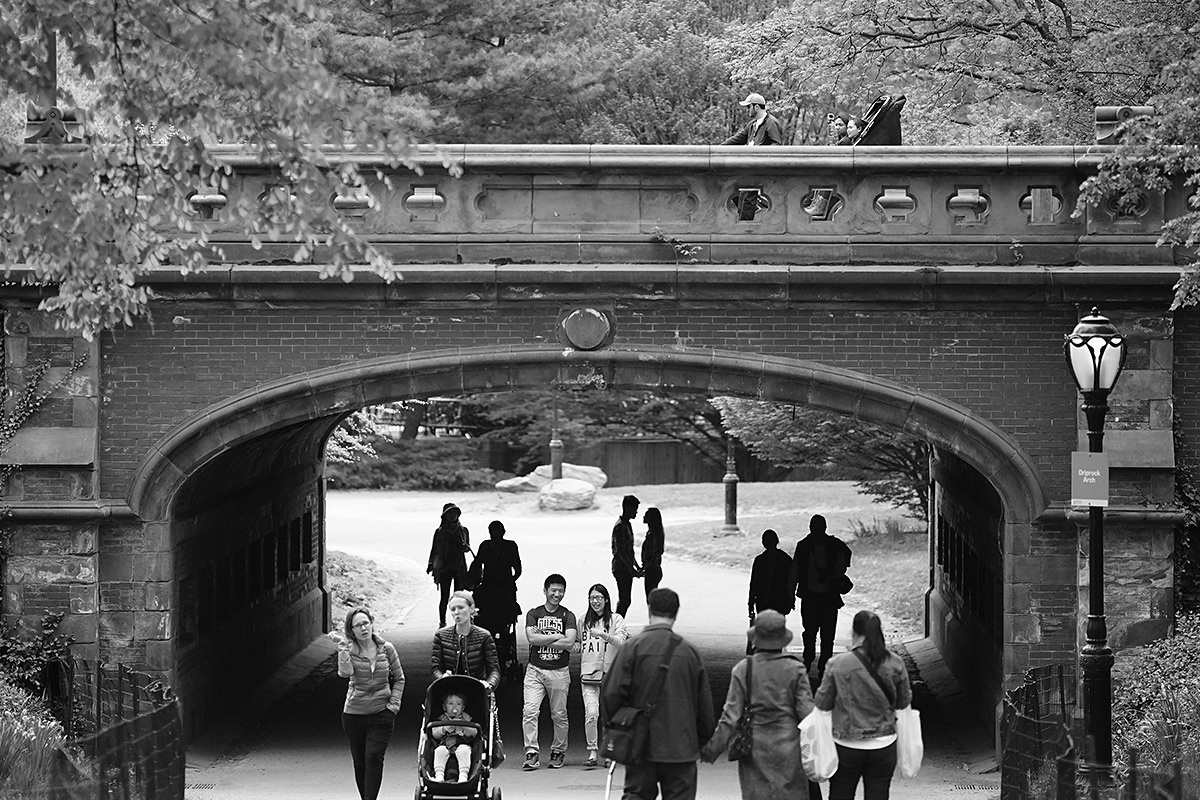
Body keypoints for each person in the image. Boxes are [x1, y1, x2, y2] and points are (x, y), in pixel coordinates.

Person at [601, 587, 715, 800]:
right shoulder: (690, 653)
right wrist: (696, 743)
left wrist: (619, 731)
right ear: (676, 612)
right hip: (681, 749)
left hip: (641, 745)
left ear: (649, 609)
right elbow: (705, 710)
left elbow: (611, 694)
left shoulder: (632, 648)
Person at [700, 611, 816, 800]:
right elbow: (808, 713)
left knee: (758, 793)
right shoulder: (795, 670)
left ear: (756, 639)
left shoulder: (744, 669)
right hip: (790, 748)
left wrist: (713, 747)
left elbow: (731, 715)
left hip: (755, 747)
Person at [814, 610, 913, 800]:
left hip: (846, 744)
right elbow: (903, 702)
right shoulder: (895, 663)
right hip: (884, 745)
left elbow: (822, 703)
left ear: (854, 632)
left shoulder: (838, 663)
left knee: (841, 792)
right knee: (878, 793)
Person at [330, 607, 404, 800]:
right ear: (351, 630)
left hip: (382, 713)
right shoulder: (349, 649)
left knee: (373, 757)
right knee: (360, 762)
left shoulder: (387, 649)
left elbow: (399, 678)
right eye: (358, 625)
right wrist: (343, 651)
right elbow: (344, 673)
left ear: (372, 623)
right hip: (354, 714)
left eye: (366, 623)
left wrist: (393, 706)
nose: (363, 628)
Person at [522, 573, 578, 770]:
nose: (557, 594)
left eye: (561, 591)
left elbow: (570, 642)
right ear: (545, 591)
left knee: (559, 714)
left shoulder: (568, 615)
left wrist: (543, 636)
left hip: (559, 671)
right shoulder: (533, 614)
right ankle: (531, 752)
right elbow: (532, 639)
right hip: (535, 670)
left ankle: (558, 751)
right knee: (530, 710)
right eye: (553, 590)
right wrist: (556, 635)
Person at [788, 514, 852, 683]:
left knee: (815, 632)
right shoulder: (832, 545)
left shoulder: (804, 546)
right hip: (824, 597)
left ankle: (814, 661)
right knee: (822, 633)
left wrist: (790, 594)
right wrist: (837, 574)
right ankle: (819, 662)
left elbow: (794, 571)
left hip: (815, 597)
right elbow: (846, 557)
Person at [576, 583, 628, 767]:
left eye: (599, 598)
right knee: (591, 714)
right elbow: (577, 644)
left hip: (611, 675)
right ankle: (592, 752)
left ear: (606, 600)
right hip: (589, 675)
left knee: (609, 716)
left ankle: (609, 752)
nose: (595, 601)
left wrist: (603, 635)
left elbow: (622, 642)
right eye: (592, 598)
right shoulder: (582, 620)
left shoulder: (616, 619)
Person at [468, 520, 522, 673]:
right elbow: (517, 569)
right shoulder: (511, 546)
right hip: (505, 589)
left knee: (483, 617)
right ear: (503, 532)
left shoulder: (485, 546)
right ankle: (503, 648)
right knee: (505, 621)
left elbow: (476, 565)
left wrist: (472, 580)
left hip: (487, 588)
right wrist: (510, 580)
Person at [431, 590, 501, 690]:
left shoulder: (484, 636)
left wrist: (489, 684)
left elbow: (494, 669)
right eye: (453, 609)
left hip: (476, 690)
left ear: (471, 608)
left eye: (461, 607)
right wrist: (442, 677)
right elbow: (435, 668)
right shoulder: (441, 636)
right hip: (450, 692)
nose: (456, 612)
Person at [428, 502, 472, 626]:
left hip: (459, 567)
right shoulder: (440, 532)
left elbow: (467, 549)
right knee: (444, 597)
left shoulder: (463, 530)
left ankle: (460, 622)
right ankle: (442, 622)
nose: (452, 516)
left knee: (460, 598)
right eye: (449, 513)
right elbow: (434, 549)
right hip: (444, 568)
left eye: (454, 513)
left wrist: (463, 546)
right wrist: (431, 563)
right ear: (445, 516)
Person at [748, 529, 795, 621]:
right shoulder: (785, 559)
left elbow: (754, 583)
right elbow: (754, 583)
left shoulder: (761, 560)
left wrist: (751, 603)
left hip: (773, 600)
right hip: (770, 600)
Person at [430, 691, 476, 783]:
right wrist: (443, 729)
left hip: (462, 743)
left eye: (458, 704)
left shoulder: (466, 718)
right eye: (450, 704)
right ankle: (439, 775)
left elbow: (474, 732)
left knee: (464, 750)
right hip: (444, 744)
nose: (454, 707)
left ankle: (463, 775)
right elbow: (434, 733)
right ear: (444, 707)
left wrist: (464, 729)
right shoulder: (441, 719)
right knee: (439, 751)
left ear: (463, 707)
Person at [611, 495, 643, 617]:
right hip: (621, 567)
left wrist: (636, 566)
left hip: (625, 567)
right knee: (624, 600)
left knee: (625, 600)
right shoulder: (620, 526)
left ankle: (617, 627)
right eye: (635, 509)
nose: (636, 512)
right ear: (627, 508)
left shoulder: (627, 525)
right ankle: (615, 628)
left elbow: (629, 550)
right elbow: (620, 551)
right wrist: (630, 569)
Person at [641, 507, 666, 598]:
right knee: (651, 599)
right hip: (654, 569)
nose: (643, 517)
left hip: (652, 570)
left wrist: (644, 568)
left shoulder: (653, 535)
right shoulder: (654, 533)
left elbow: (652, 555)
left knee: (651, 600)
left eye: (646, 515)